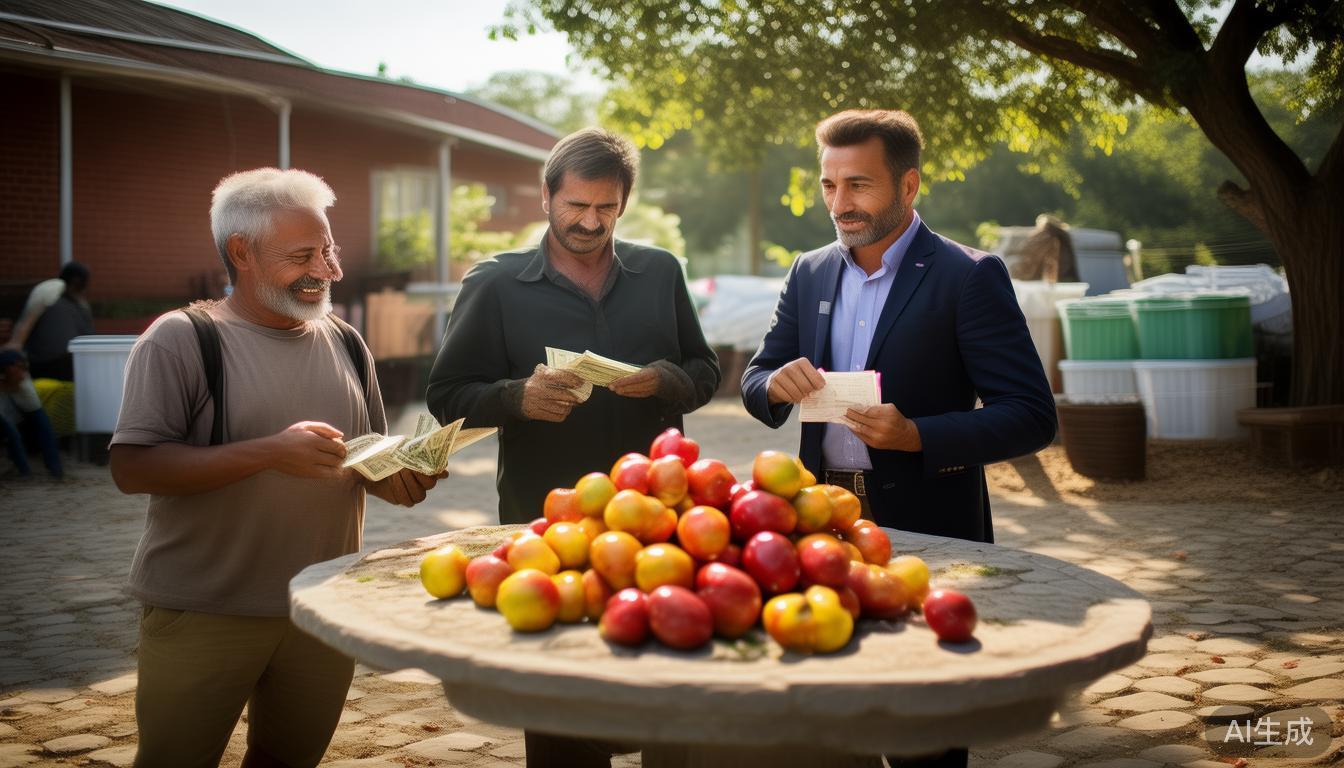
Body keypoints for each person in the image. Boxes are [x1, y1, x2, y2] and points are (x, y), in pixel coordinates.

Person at [742, 111, 1055, 767]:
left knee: (926, 724)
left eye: (859, 185)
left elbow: (1030, 414)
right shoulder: (810, 271)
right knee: (828, 711)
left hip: (929, 522)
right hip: (819, 521)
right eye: (829, 186)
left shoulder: (969, 276)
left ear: (909, 186)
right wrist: (774, 384)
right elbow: (755, 376)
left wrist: (917, 436)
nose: (839, 204)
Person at [109, 168, 444, 768]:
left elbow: (366, 464)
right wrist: (269, 451)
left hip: (322, 608)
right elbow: (133, 468)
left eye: (329, 250)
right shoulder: (182, 339)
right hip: (205, 608)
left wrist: (405, 477)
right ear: (242, 252)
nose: (329, 270)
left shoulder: (347, 341)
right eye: (303, 256)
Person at [426, 128, 719, 767]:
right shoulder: (496, 283)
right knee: (559, 706)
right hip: (544, 525)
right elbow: (446, 394)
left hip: (658, 517)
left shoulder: (660, 271)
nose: (590, 222)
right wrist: (514, 397)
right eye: (576, 206)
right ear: (546, 197)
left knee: (667, 686)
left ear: (624, 204)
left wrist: (665, 380)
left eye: (606, 209)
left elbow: (705, 371)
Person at [7, 261, 95, 380]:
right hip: (47, 365)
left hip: (74, 363)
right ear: (76, 281)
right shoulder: (51, 290)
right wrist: (15, 345)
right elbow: (25, 324)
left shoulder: (80, 304)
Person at [0, 349, 63, 480]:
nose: (22, 373)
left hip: (22, 401)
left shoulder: (25, 387)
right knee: (12, 434)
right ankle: (24, 470)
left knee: (44, 428)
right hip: (6, 405)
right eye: (17, 368)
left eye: (23, 368)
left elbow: (36, 414)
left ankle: (55, 468)